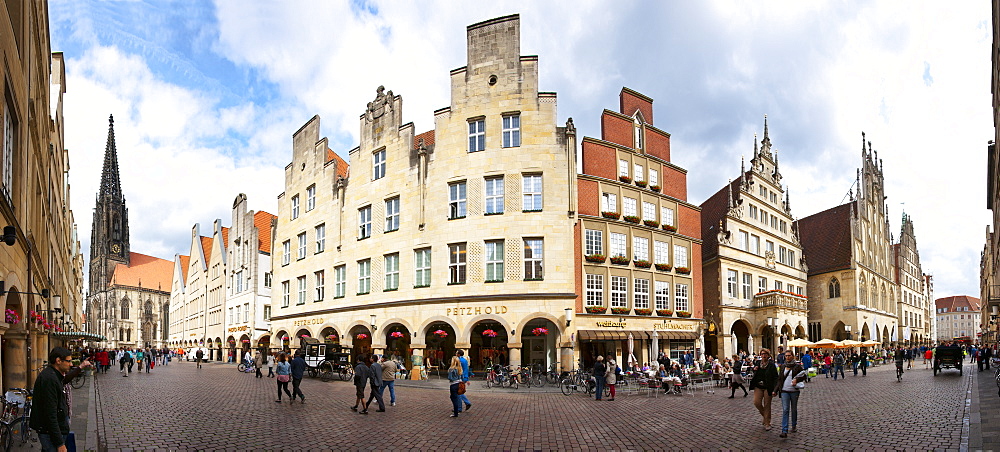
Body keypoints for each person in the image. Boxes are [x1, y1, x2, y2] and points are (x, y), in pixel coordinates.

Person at [30, 347, 73, 452]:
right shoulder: (49, 379)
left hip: (53, 431)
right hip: (49, 433)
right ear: (58, 361)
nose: (71, 364)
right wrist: (59, 443)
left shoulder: (54, 375)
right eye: (69, 361)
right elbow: (50, 413)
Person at [776, 351, 806, 438]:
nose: (787, 357)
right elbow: (780, 379)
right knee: (785, 409)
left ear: (793, 356)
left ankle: (794, 425)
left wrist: (797, 380)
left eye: (789, 356)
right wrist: (775, 390)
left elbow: (804, 376)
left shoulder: (797, 366)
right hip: (784, 390)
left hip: (794, 391)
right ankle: (784, 430)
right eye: (786, 356)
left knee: (793, 409)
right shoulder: (783, 366)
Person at [748, 348, 779, 431]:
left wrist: (775, 389)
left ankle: (767, 423)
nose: (763, 355)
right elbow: (754, 372)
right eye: (762, 354)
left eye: (765, 354)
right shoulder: (757, 363)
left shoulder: (771, 365)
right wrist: (754, 370)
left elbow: (776, 377)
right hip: (758, 386)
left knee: (767, 405)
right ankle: (766, 417)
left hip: (768, 387)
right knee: (756, 402)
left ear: (768, 355)